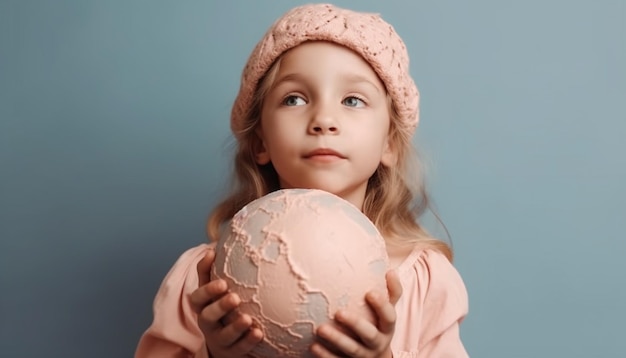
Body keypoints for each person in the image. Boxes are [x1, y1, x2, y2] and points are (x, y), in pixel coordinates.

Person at [135, 3, 469, 357]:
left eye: (353, 100)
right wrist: (216, 353)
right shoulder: (203, 279)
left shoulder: (426, 281)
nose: (324, 119)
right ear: (261, 141)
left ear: (389, 142)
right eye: (294, 98)